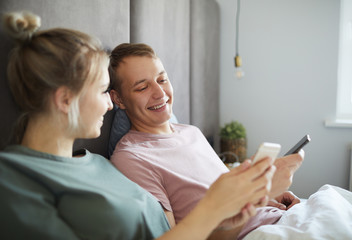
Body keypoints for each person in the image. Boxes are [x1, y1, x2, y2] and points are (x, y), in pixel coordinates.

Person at [0, 11, 276, 240]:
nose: (109, 105)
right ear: (65, 100)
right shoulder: (14, 179)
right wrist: (212, 208)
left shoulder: (97, 163)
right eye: (101, 91)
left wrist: (227, 215)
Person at [108, 43, 304, 239]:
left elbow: (227, 193)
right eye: (142, 87)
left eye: (162, 79)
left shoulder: (191, 132)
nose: (160, 93)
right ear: (118, 99)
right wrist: (252, 206)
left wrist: (267, 195)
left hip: (279, 218)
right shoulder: (131, 157)